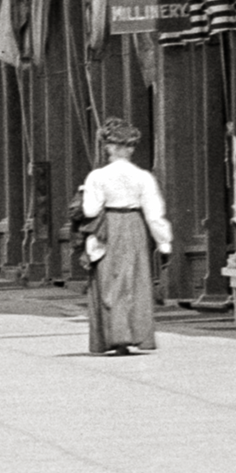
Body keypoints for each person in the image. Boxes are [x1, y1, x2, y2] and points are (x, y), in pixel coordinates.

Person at [80, 117, 172, 356]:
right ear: (130, 148)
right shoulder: (143, 177)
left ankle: (113, 337)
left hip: (108, 227)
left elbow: (90, 210)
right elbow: (154, 214)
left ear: (108, 147)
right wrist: (164, 243)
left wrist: (84, 194)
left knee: (109, 281)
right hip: (134, 225)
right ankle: (134, 334)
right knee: (134, 281)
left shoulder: (97, 177)